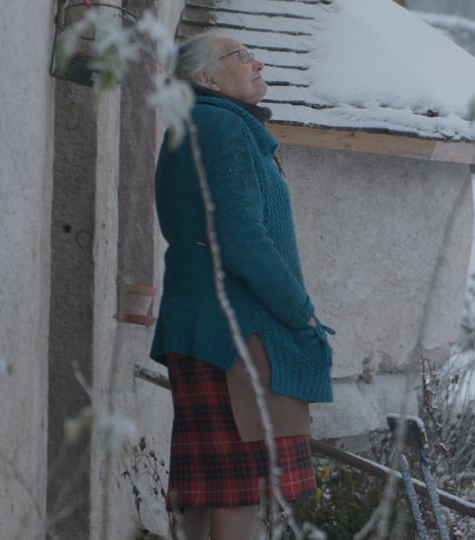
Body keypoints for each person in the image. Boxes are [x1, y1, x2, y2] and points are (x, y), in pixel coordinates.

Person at [150, 30, 334, 540]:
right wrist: (300, 311)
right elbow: (240, 237)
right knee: (238, 489)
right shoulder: (221, 126)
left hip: (205, 326)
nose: (258, 63)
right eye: (242, 55)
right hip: (234, 333)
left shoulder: (196, 124)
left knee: (206, 487)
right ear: (206, 78)